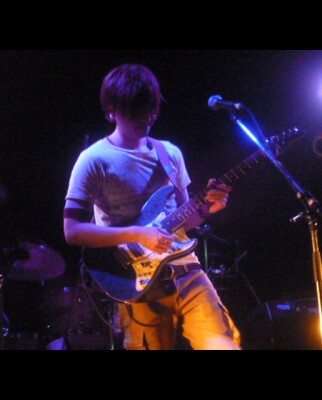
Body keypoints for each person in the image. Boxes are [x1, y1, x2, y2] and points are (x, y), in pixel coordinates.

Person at [63, 64, 241, 350]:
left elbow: (185, 219)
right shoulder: (93, 159)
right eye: (134, 110)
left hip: (186, 269)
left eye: (150, 109)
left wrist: (207, 209)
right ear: (111, 110)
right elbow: (73, 231)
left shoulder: (169, 153)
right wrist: (138, 234)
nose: (145, 117)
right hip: (137, 282)